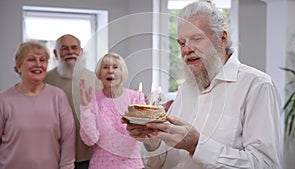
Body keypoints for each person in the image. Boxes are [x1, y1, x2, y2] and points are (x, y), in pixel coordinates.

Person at [123, 1, 281, 169]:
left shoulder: (257, 86)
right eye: (182, 43)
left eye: (196, 38)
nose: (186, 49)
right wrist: (152, 141)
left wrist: (197, 145)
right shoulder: (187, 88)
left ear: (222, 39)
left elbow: (265, 164)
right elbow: (163, 164)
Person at [0, 40, 75, 169]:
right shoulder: (4, 100)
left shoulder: (58, 96)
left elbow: (68, 139)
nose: (38, 64)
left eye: (42, 60)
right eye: (31, 60)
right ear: (18, 65)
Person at [44, 34, 101, 169]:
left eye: (74, 48)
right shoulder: (45, 80)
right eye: (64, 48)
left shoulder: (96, 80)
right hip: (54, 155)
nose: (70, 52)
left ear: (80, 52)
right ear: (55, 53)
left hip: (88, 155)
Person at [79, 52, 145, 169]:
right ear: (99, 74)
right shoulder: (93, 100)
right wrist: (85, 108)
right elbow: (90, 140)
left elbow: (144, 135)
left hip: (132, 166)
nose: (110, 71)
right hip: (101, 165)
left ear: (122, 73)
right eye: (105, 67)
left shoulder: (136, 98)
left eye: (115, 67)